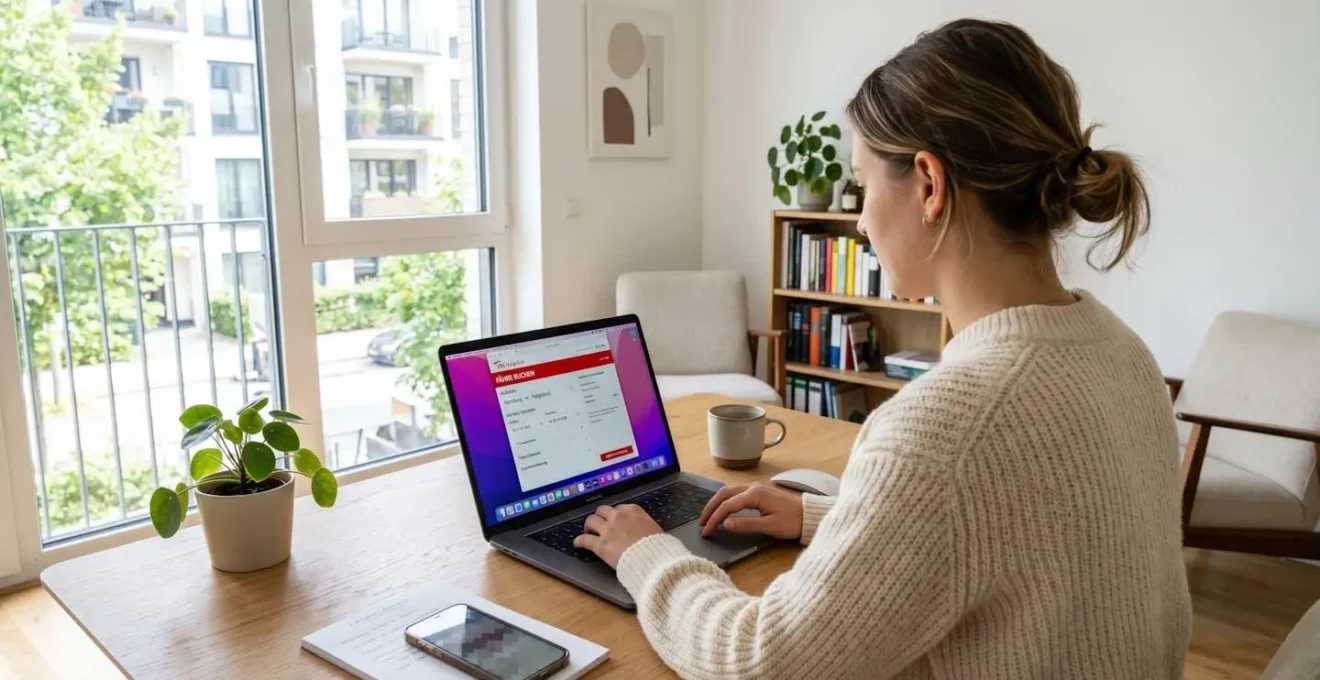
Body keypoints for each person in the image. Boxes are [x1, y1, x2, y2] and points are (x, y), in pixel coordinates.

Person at [574, 18, 1192, 679]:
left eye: (864, 182)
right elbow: (1016, 530)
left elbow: (762, 663)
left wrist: (648, 554)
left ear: (929, 184)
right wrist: (822, 517)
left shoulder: (945, 427)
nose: (862, 218)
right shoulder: (1125, 356)